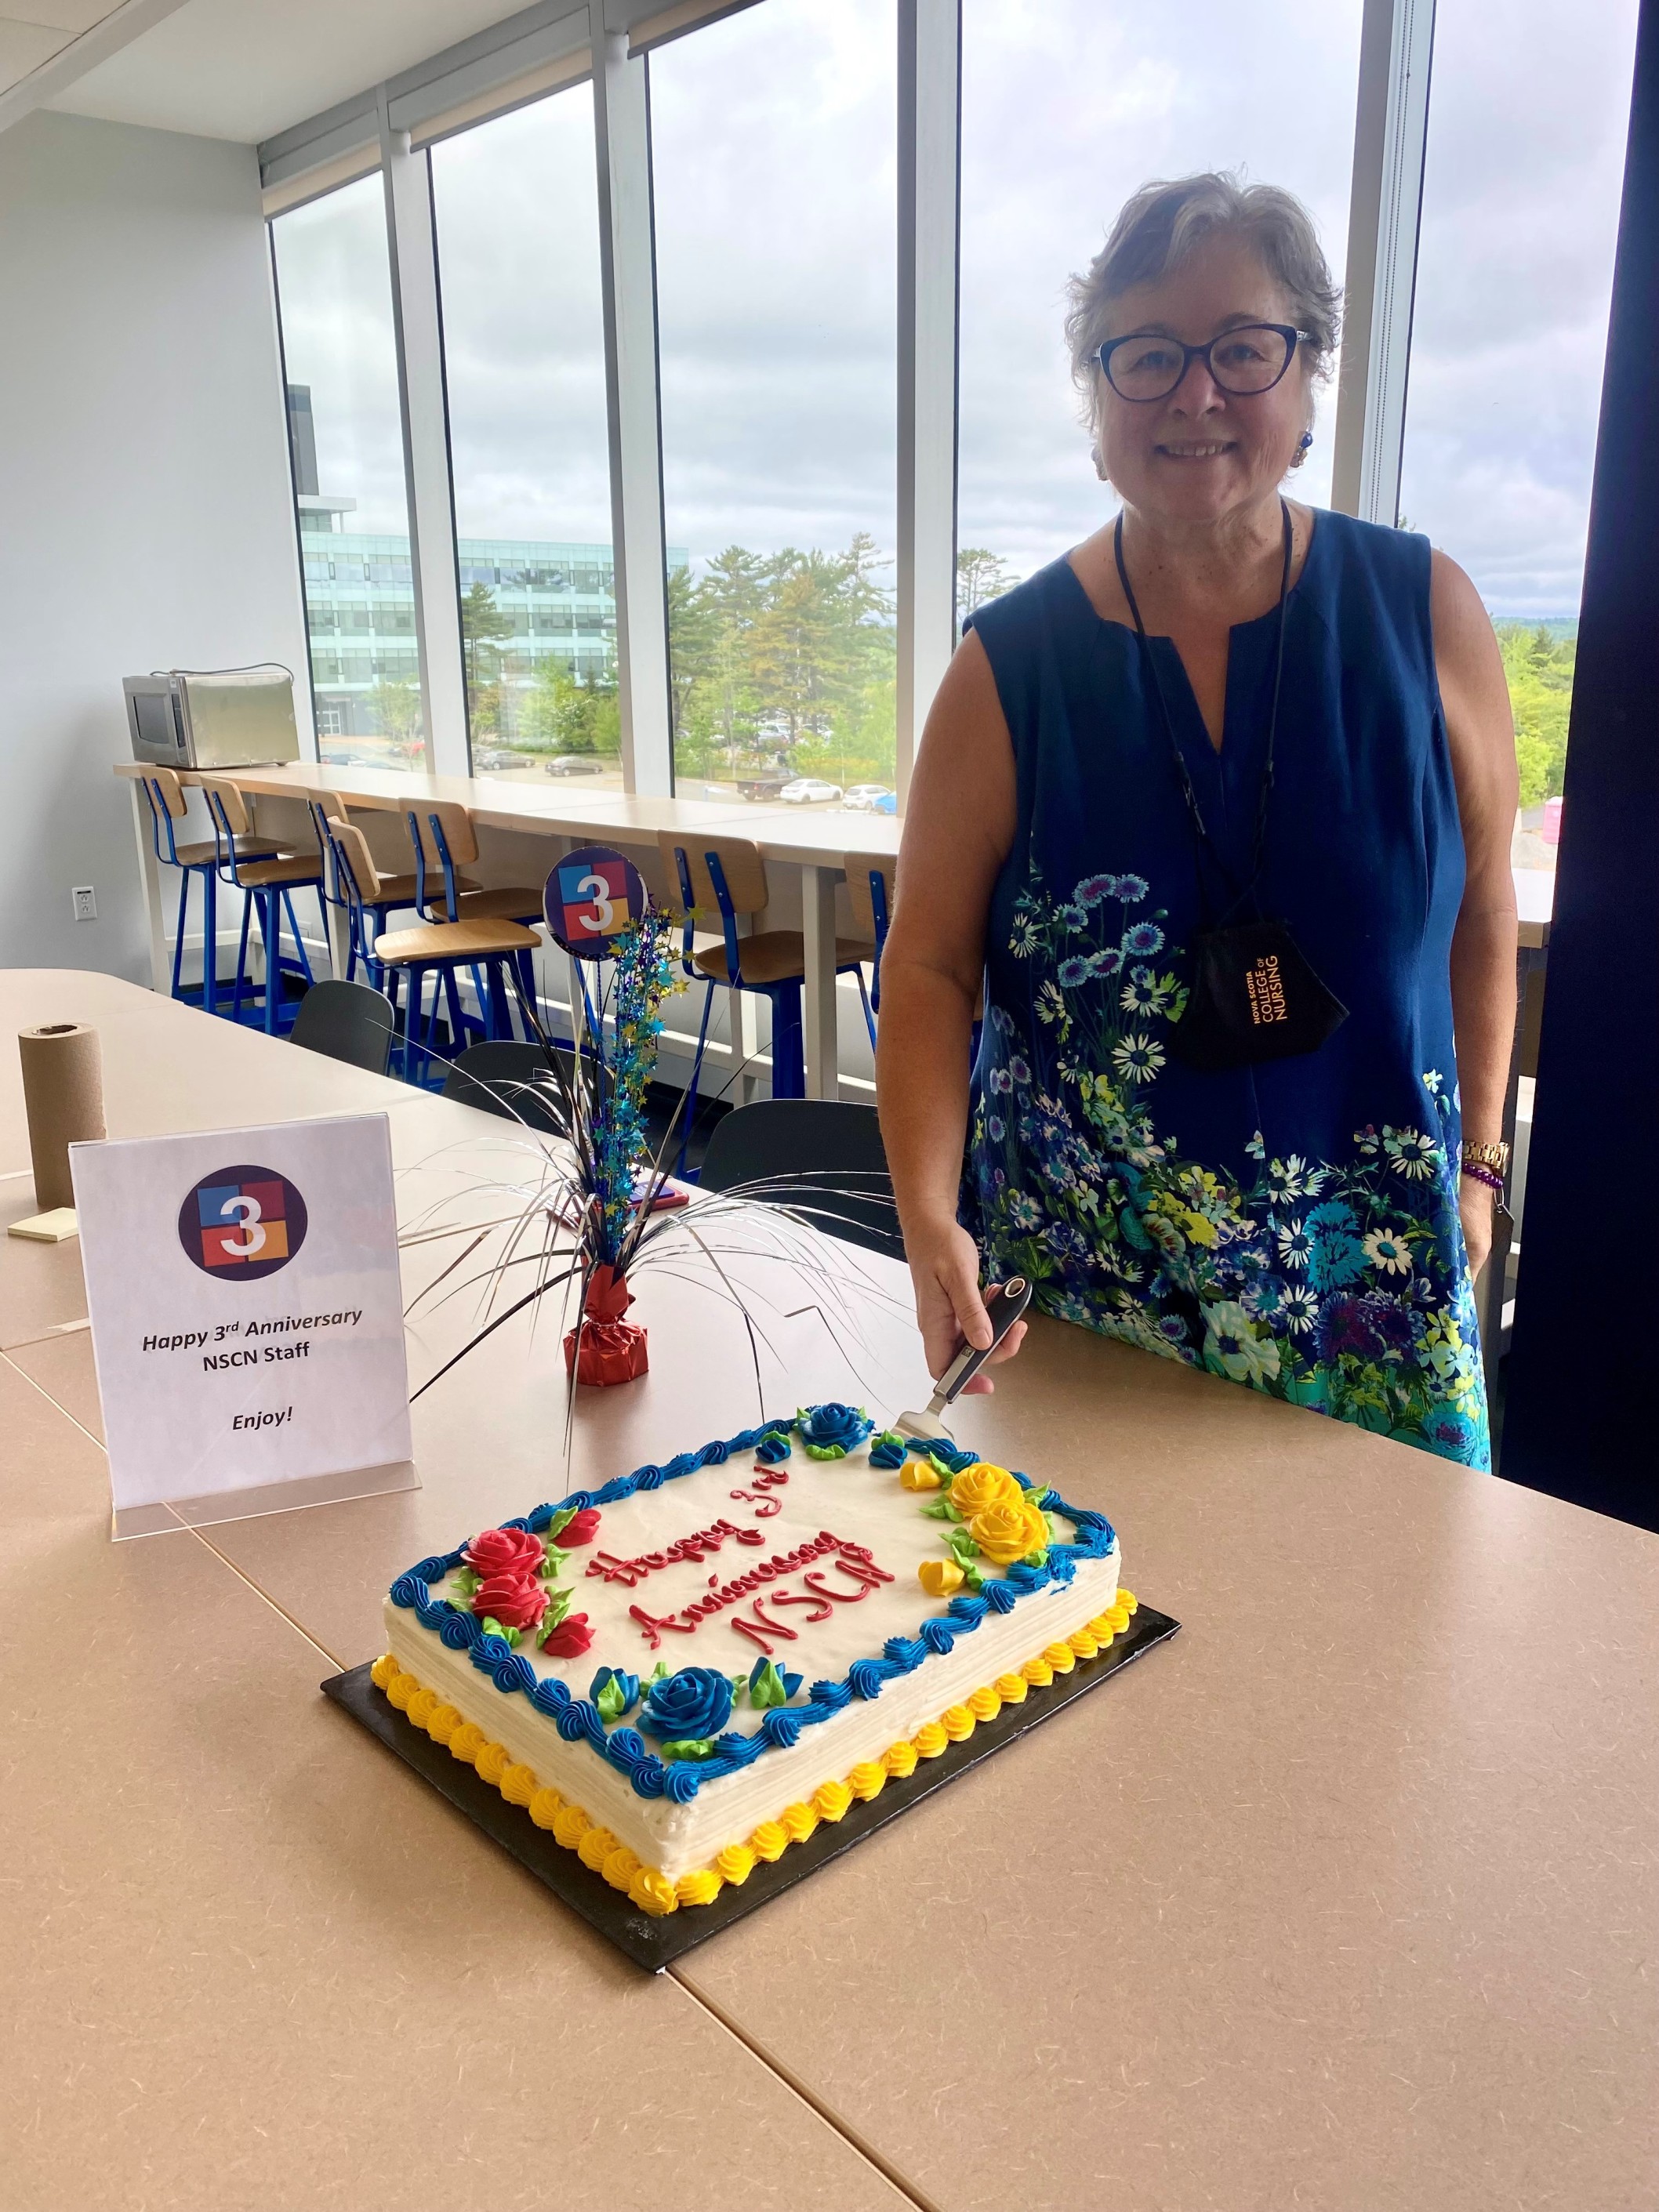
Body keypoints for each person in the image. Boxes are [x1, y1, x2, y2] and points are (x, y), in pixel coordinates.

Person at [877, 173, 1517, 1467]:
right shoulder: (1007, 671)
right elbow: (931, 960)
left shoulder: (1427, 614)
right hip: (1080, 1307)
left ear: (1308, 374)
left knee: (1395, 1649)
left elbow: (1487, 906)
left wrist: (1484, 1170)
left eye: (1243, 347)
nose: (1196, 394)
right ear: (1096, 395)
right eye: (1148, 355)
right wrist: (926, 1212)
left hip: (1376, 1292)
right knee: (1076, 1652)